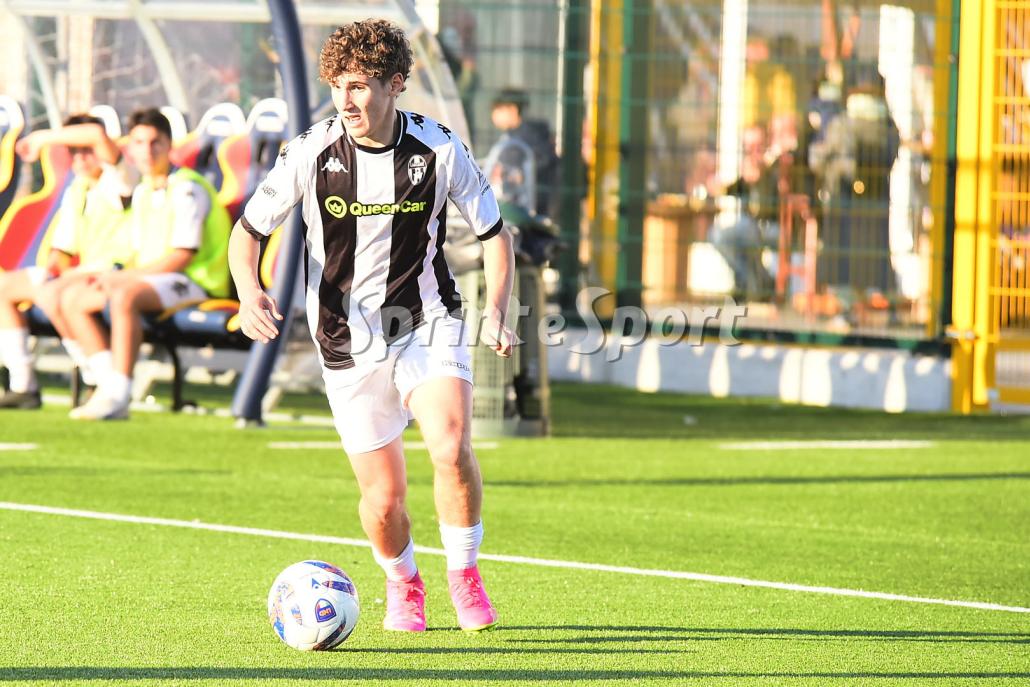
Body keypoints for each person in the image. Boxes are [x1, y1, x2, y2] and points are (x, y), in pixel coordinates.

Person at [229, 19, 517, 633]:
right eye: (338, 85)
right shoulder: (311, 152)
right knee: (384, 501)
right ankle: (403, 582)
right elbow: (248, 232)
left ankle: (464, 574)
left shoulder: (439, 148)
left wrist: (496, 310)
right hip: (345, 339)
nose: (346, 100)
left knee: (450, 445)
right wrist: (250, 293)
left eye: (359, 85)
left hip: (426, 318)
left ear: (395, 84)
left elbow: (495, 235)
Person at [61, 108, 232, 420]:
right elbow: (137, 252)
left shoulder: (187, 187)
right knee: (75, 298)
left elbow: (182, 256)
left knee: (125, 295)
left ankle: (119, 395)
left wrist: (127, 278)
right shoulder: (142, 190)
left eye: (155, 142)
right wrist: (112, 274)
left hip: (195, 283)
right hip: (155, 281)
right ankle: (106, 384)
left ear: (169, 145)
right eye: (139, 143)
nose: (147, 151)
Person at [0, 114, 133, 409]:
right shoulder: (77, 189)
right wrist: (51, 270)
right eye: (74, 151)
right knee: (5, 287)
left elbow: (96, 134)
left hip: (116, 272)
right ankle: (23, 385)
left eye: (86, 150)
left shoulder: (120, 179)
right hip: (81, 274)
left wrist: (41, 138)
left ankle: (103, 384)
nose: (81, 157)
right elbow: (62, 249)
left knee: (53, 293)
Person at [490, 87, 560, 217]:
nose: (494, 115)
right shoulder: (512, 136)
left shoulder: (530, 135)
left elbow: (544, 160)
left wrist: (520, 173)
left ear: (512, 110)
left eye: (498, 109)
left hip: (536, 206)